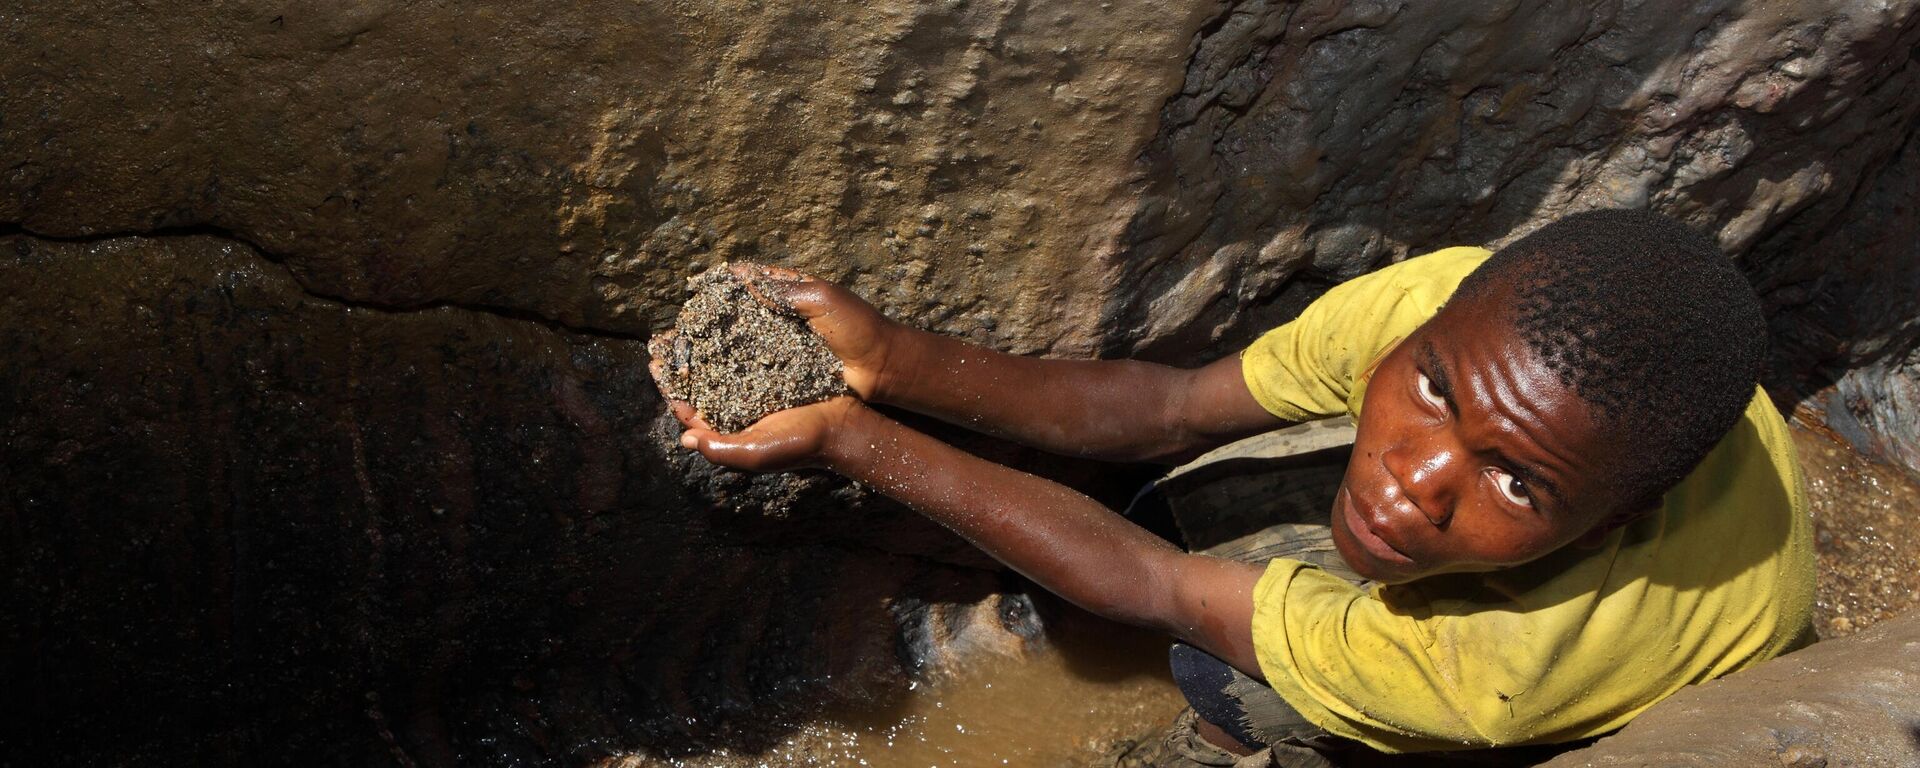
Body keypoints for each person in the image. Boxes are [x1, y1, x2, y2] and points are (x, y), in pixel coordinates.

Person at [647, 210, 1815, 765]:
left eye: (1511, 480)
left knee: (1226, 670)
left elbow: (1147, 587)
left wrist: (855, 441)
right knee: (1195, 494)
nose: (1414, 484)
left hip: (1569, 688)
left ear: (1614, 519)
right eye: (1432, 394)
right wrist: (889, 357)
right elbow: (1166, 406)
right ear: (1437, 327)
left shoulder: (1487, 673)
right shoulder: (1465, 317)